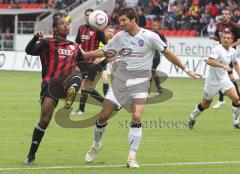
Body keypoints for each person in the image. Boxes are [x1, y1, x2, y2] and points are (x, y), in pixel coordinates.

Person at [81, 8, 200, 168]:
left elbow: (168, 53)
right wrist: (84, 54)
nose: (120, 23)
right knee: (103, 116)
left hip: (140, 83)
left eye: (123, 20)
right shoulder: (119, 37)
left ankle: (131, 157)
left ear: (133, 19)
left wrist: (187, 69)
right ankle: (96, 144)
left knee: (136, 116)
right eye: (120, 20)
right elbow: (103, 51)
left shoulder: (150, 36)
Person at [24, 17, 88, 165]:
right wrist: (35, 38)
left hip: (67, 83)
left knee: (77, 72)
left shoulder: (74, 47)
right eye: (62, 23)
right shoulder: (47, 42)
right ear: (54, 29)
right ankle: (31, 155)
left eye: (67, 23)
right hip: (50, 84)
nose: (65, 25)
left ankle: (72, 92)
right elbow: (29, 51)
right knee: (44, 120)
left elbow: (84, 65)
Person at [188, 30, 240, 129]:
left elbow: (235, 63)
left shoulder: (233, 51)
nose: (226, 40)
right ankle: (192, 116)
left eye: (228, 38)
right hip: (212, 81)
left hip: (224, 79)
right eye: (224, 38)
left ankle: (236, 122)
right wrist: (223, 66)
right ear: (221, 39)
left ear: (231, 40)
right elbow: (210, 61)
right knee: (206, 104)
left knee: (236, 99)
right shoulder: (217, 49)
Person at [74, 8, 108, 115]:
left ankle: (82, 109)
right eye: (86, 15)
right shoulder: (81, 28)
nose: (88, 17)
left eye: (90, 15)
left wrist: (98, 57)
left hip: (92, 64)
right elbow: (77, 43)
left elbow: (107, 46)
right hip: (81, 62)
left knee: (84, 85)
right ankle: (105, 104)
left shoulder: (98, 30)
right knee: (86, 88)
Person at [209, 9, 240, 109]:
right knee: (221, 77)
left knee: (229, 77)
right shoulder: (219, 25)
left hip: (229, 55)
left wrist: (230, 46)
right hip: (219, 56)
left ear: (230, 16)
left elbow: (239, 41)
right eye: (223, 14)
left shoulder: (235, 26)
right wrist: (214, 37)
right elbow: (219, 38)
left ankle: (235, 99)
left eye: (227, 14)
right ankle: (223, 100)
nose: (224, 15)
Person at [95, 26, 115, 96]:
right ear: (105, 32)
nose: (111, 33)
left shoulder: (111, 42)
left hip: (102, 63)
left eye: (112, 32)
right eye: (109, 31)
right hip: (92, 63)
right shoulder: (98, 40)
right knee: (89, 87)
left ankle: (106, 100)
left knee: (105, 80)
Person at [151, 21, 167, 95]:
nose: (155, 27)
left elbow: (165, 45)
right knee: (152, 72)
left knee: (151, 71)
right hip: (149, 55)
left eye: (156, 25)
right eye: (154, 25)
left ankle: (149, 89)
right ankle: (159, 89)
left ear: (158, 27)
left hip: (156, 55)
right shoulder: (149, 35)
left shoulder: (161, 36)